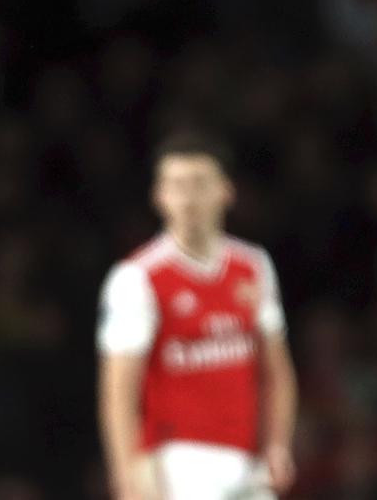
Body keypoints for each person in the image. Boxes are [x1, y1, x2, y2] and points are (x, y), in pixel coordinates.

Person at [97, 133, 299, 500]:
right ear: (159, 196)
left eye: (199, 184)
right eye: (176, 185)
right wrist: (127, 478)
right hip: (177, 463)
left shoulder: (253, 267)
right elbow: (119, 389)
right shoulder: (138, 278)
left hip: (248, 460)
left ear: (226, 191)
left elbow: (277, 369)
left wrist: (279, 444)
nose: (188, 198)